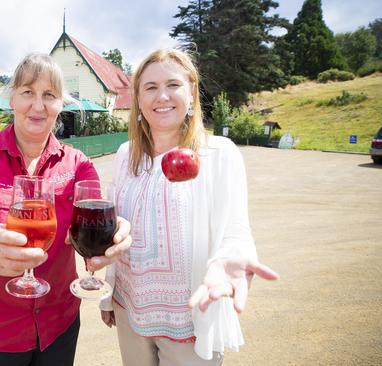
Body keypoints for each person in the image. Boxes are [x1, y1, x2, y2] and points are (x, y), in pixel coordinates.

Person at [0, 53, 131, 366]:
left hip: (60, 324)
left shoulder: (78, 165)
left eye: (49, 95)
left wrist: (109, 240)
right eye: (27, 93)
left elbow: (86, 232)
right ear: (11, 100)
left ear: (61, 105)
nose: (38, 105)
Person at [98, 48, 279, 365]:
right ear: (138, 100)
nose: (162, 96)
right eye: (150, 87)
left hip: (190, 316)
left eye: (173, 85)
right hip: (130, 308)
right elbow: (117, 226)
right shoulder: (126, 154)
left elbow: (236, 229)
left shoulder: (219, 153)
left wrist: (231, 258)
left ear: (192, 93)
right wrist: (107, 294)